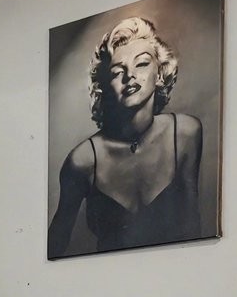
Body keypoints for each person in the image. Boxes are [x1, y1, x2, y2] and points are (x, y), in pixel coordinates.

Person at [49, 15, 206, 257]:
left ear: (160, 72)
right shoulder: (82, 161)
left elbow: (192, 227)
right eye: (117, 71)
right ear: (105, 86)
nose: (130, 76)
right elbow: (55, 246)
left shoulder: (185, 134)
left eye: (142, 64)